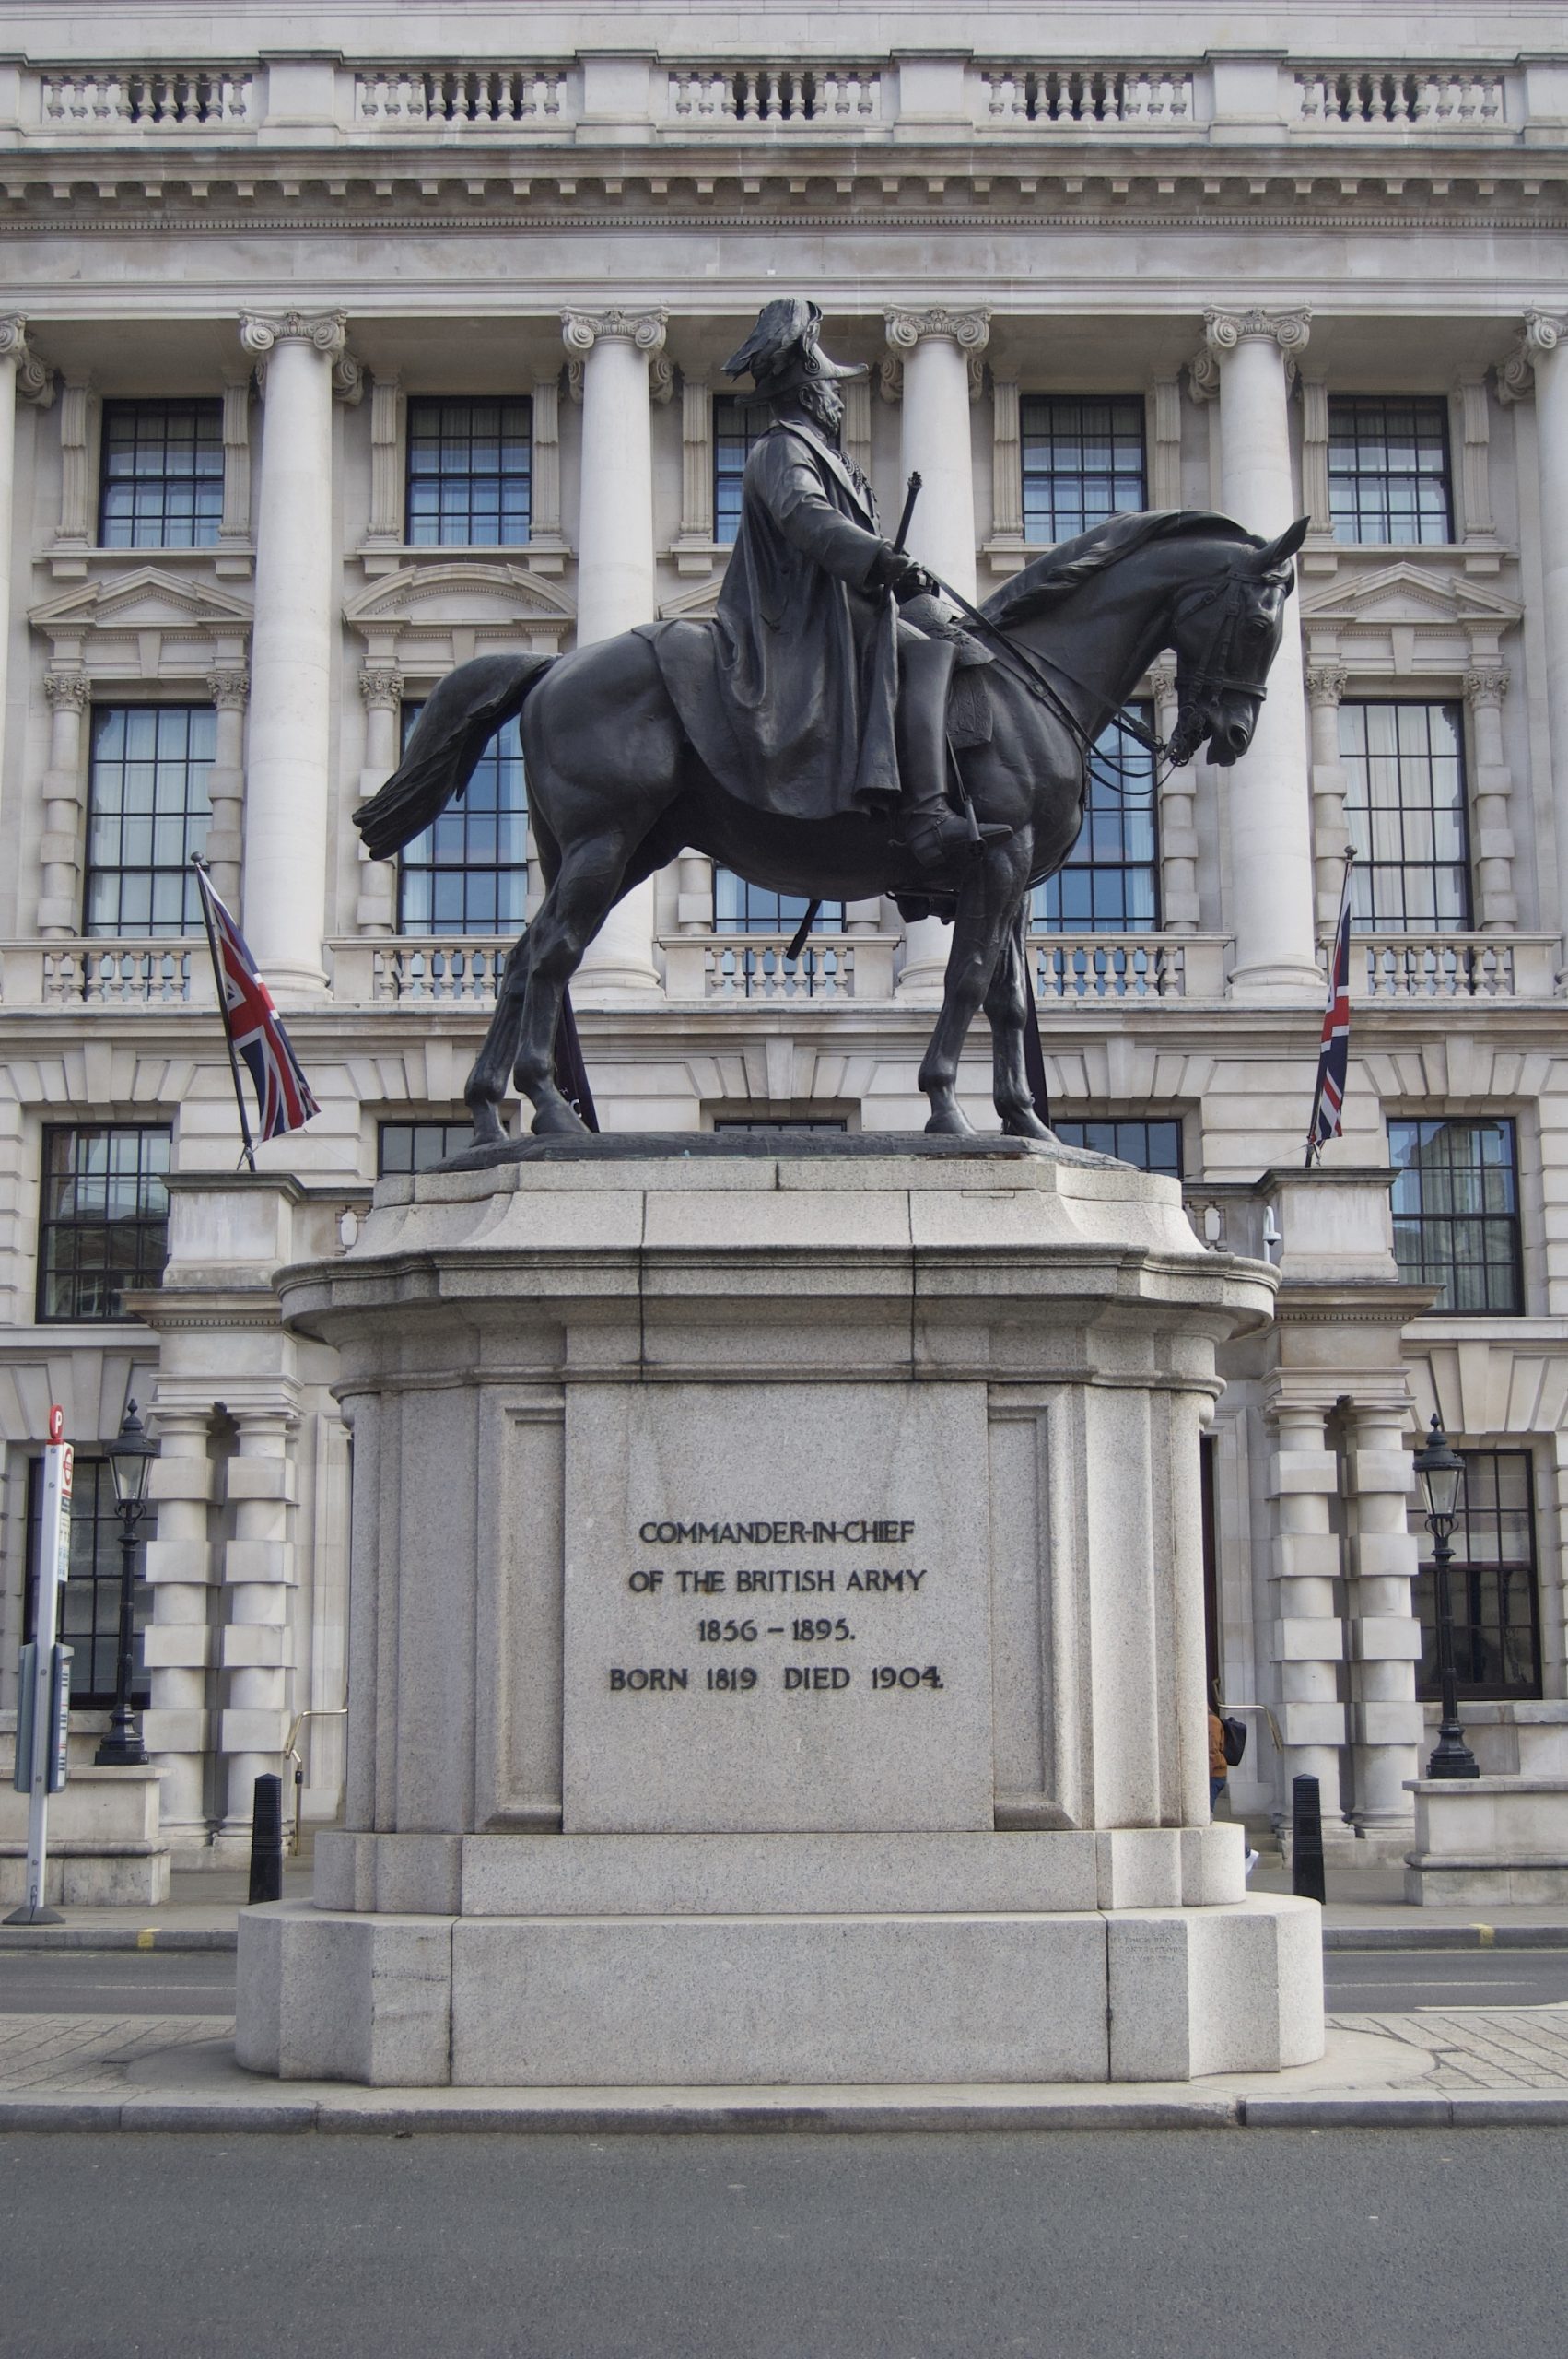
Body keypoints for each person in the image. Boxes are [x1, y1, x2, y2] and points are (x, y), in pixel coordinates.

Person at [637, 296, 1007, 878]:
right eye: (832, 389)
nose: (838, 398)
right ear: (810, 395)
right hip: (802, 616)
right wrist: (877, 557)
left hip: (838, 606)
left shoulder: (828, 457)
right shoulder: (783, 447)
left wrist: (901, 577)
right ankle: (929, 817)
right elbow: (806, 516)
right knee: (932, 654)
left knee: (940, 629)